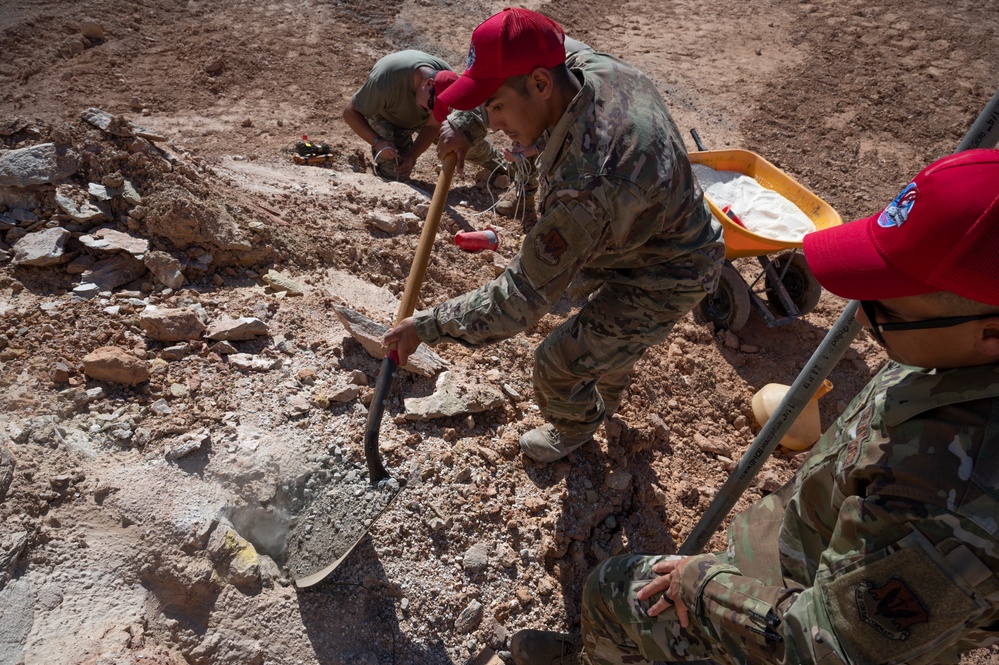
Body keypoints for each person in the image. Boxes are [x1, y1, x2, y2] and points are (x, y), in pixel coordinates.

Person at [511, 148, 999, 664]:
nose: (859, 321)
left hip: (804, 627)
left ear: (990, 334)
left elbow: (833, 649)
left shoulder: (956, 496)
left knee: (614, 590)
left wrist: (704, 586)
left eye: (884, 309)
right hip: (806, 561)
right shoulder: (955, 355)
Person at [383, 8, 724, 463]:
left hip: (672, 267)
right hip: (643, 230)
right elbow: (523, 75)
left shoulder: (588, 184)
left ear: (542, 85)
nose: (496, 123)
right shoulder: (587, 69)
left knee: (557, 363)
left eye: (497, 108)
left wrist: (427, 326)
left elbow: (520, 299)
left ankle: (575, 425)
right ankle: (608, 368)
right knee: (601, 334)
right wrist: (467, 123)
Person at [433, 36, 595, 218]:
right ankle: (523, 196)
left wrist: (535, 148)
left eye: (497, 107)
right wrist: (462, 125)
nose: (494, 128)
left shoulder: (573, 98)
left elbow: (561, 125)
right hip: (538, 89)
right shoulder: (509, 64)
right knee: (520, 129)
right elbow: (490, 91)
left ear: (541, 83)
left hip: (571, 96)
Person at [342, 50, 506, 181]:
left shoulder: (445, 80)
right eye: (431, 106)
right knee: (395, 173)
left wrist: (412, 156)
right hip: (388, 117)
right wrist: (378, 142)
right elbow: (350, 112)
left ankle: (504, 165)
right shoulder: (385, 79)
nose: (429, 112)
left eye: (437, 110)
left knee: (462, 142)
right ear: (427, 84)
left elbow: (432, 125)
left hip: (416, 120)